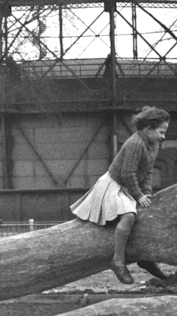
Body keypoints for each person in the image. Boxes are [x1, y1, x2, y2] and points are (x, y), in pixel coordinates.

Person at [70, 106, 170, 284]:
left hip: (130, 186)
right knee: (129, 216)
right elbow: (127, 174)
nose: (163, 136)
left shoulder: (153, 144)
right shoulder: (135, 144)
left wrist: (147, 193)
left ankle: (146, 258)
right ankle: (118, 261)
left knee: (148, 214)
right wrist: (139, 196)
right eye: (161, 132)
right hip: (114, 186)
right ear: (148, 129)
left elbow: (147, 171)